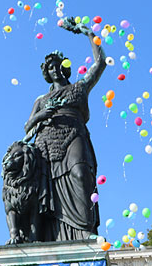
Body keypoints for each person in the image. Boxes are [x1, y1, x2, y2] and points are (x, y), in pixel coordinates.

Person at [22, 19, 106, 241]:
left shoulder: (79, 87)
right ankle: (46, 236)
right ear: (47, 73)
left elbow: (100, 63)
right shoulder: (41, 99)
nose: (55, 70)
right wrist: (43, 113)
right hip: (46, 143)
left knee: (80, 174)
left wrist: (87, 32)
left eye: (59, 65)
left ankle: (85, 231)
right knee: (47, 191)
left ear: (65, 67)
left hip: (74, 135)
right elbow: (28, 126)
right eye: (50, 67)